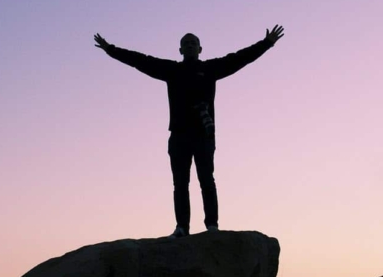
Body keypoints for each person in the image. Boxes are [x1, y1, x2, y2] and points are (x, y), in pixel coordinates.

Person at [94, 25, 285, 238]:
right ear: (180, 50)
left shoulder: (211, 69)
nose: (190, 45)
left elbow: (239, 58)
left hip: (204, 135)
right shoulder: (172, 71)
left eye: (193, 42)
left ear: (200, 49)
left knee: (206, 180)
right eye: (186, 43)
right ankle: (182, 227)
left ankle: (212, 225)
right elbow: (141, 61)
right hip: (179, 136)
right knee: (180, 184)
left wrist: (266, 44)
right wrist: (110, 49)